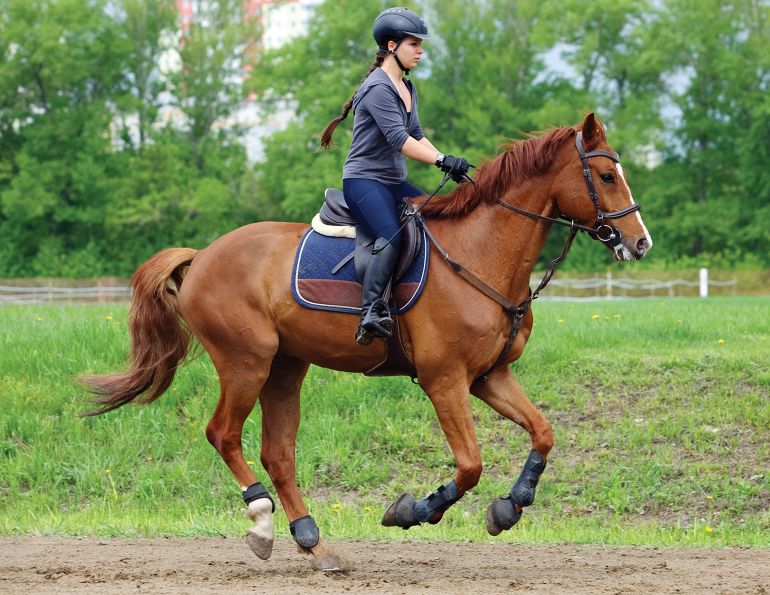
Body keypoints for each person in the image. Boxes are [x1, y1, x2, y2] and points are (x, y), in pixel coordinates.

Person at [321, 7, 471, 346]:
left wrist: (446, 163)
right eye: (414, 44)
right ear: (392, 46)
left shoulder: (408, 87)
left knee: (434, 221)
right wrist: (441, 158)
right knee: (391, 234)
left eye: (420, 44)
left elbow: (416, 133)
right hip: (364, 182)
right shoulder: (378, 88)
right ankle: (371, 310)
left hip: (391, 182)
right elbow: (399, 140)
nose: (420, 50)